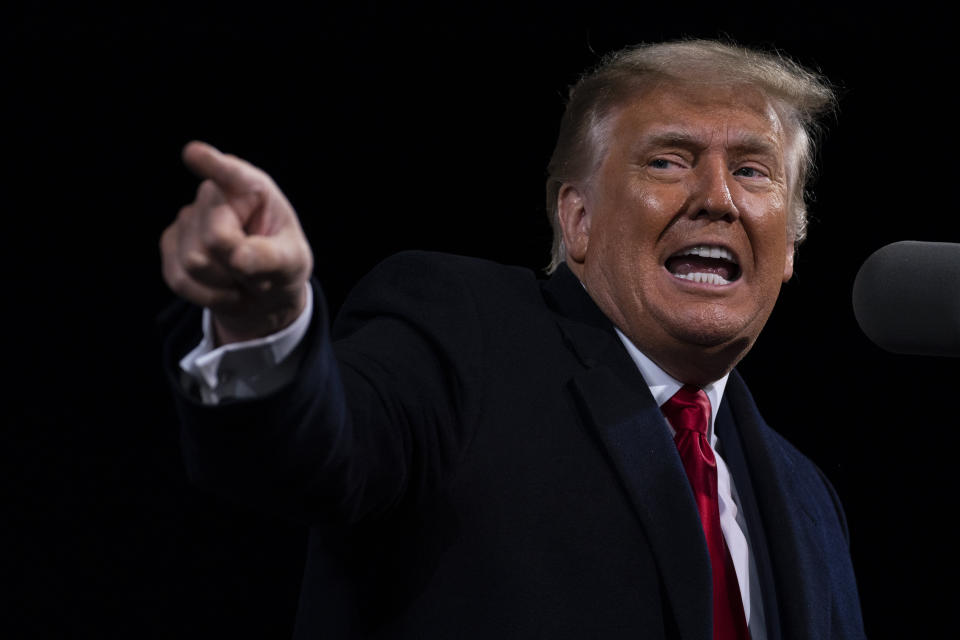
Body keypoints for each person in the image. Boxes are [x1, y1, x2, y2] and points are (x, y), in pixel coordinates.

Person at [160, 40, 866, 639]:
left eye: (751, 170)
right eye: (669, 161)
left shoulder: (810, 497)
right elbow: (314, 452)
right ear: (578, 218)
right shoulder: (463, 334)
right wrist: (264, 327)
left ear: (793, 244)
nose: (717, 198)